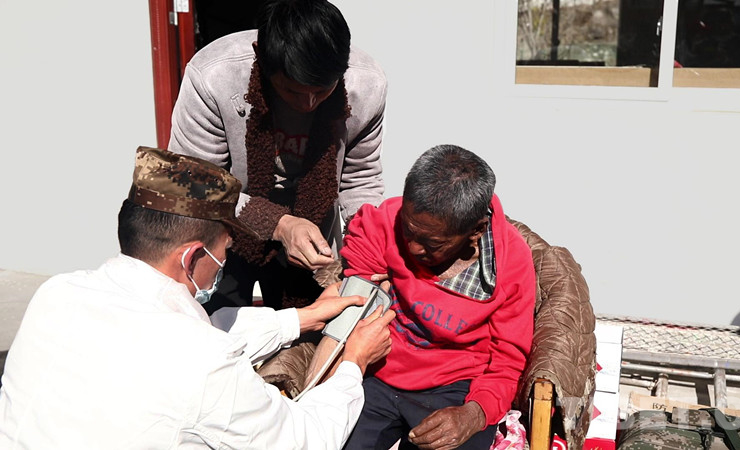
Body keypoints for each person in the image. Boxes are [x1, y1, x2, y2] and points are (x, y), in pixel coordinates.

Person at [0, 146, 395, 449]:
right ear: (191, 257)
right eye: (225, 250)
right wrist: (353, 362)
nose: (224, 261)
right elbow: (304, 439)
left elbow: (185, 336)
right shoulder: (203, 363)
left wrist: (303, 317)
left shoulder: (57, 294)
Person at [168, 0, 388, 314]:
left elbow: (360, 180)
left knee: (309, 328)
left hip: (312, 237)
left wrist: (370, 251)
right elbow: (193, 182)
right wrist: (280, 224)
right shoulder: (214, 76)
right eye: (293, 91)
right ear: (262, 60)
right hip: (223, 231)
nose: (308, 104)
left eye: (322, 91)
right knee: (215, 323)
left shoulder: (366, 86)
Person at [339, 145, 537, 449]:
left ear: (476, 230)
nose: (413, 248)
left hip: (455, 387)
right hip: (376, 370)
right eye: (408, 231)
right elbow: (355, 299)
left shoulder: (511, 263)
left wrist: (474, 414)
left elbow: (507, 361)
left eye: (432, 243)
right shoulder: (385, 221)